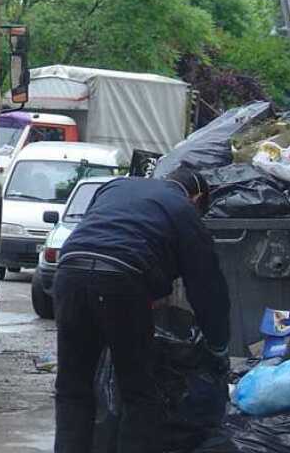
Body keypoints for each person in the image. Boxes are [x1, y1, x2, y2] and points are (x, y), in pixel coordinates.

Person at [52, 168, 230, 453]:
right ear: (197, 199)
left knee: (73, 388)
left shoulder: (115, 186)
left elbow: (104, 232)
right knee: (139, 392)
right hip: (121, 281)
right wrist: (219, 344)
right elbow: (207, 285)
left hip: (69, 272)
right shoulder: (183, 208)